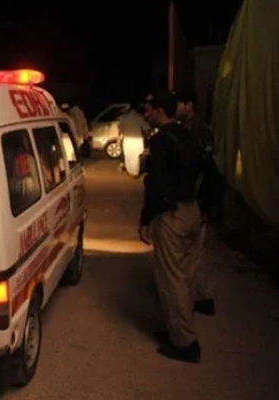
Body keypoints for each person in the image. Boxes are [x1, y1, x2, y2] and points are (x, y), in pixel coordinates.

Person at [138, 89, 205, 363]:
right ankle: (180, 331)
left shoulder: (162, 141)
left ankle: (185, 343)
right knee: (186, 277)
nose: (145, 113)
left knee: (171, 280)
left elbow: (158, 185)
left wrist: (145, 219)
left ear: (159, 111)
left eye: (149, 109)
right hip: (193, 211)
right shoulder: (188, 134)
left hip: (172, 215)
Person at [176, 92, 221, 316]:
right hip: (197, 200)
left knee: (190, 256)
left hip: (197, 201)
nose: (175, 108)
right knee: (195, 255)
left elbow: (207, 172)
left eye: (179, 104)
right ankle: (202, 297)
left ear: (189, 105)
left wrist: (205, 206)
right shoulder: (188, 129)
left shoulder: (197, 132)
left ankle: (192, 301)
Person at [119, 101, 151, 177]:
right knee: (136, 157)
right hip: (138, 140)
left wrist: (119, 139)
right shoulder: (139, 117)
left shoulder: (124, 118)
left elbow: (120, 130)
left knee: (128, 156)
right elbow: (147, 128)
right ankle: (135, 172)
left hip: (127, 140)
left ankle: (130, 171)